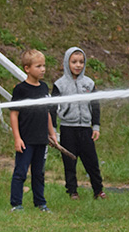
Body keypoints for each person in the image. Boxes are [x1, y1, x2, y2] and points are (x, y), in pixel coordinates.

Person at [50, 47, 106, 200]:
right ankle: (72, 191)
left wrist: (96, 126)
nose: (78, 65)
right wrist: (53, 130)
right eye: (74, 62)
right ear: (66, 62)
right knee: (69, 163)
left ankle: (98, 190)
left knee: (92, 162)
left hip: (86, 129)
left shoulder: (89, 83)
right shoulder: (59, 84)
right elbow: (52, 108)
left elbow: (95, 105)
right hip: (68, 129)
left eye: (81, 62)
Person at [9, 49, 58, 212]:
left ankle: (40, 203)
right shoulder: (20, 89)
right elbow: (14, 114)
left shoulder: (44, 87)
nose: (43, 69)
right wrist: (17, 138)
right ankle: (16, 204)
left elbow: (47, 114)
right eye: (38, 66)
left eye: (44, 66)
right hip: (26, 140)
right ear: (27, 68)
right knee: (21, 172)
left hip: (41, 139)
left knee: (39, 173)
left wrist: (52, 134)